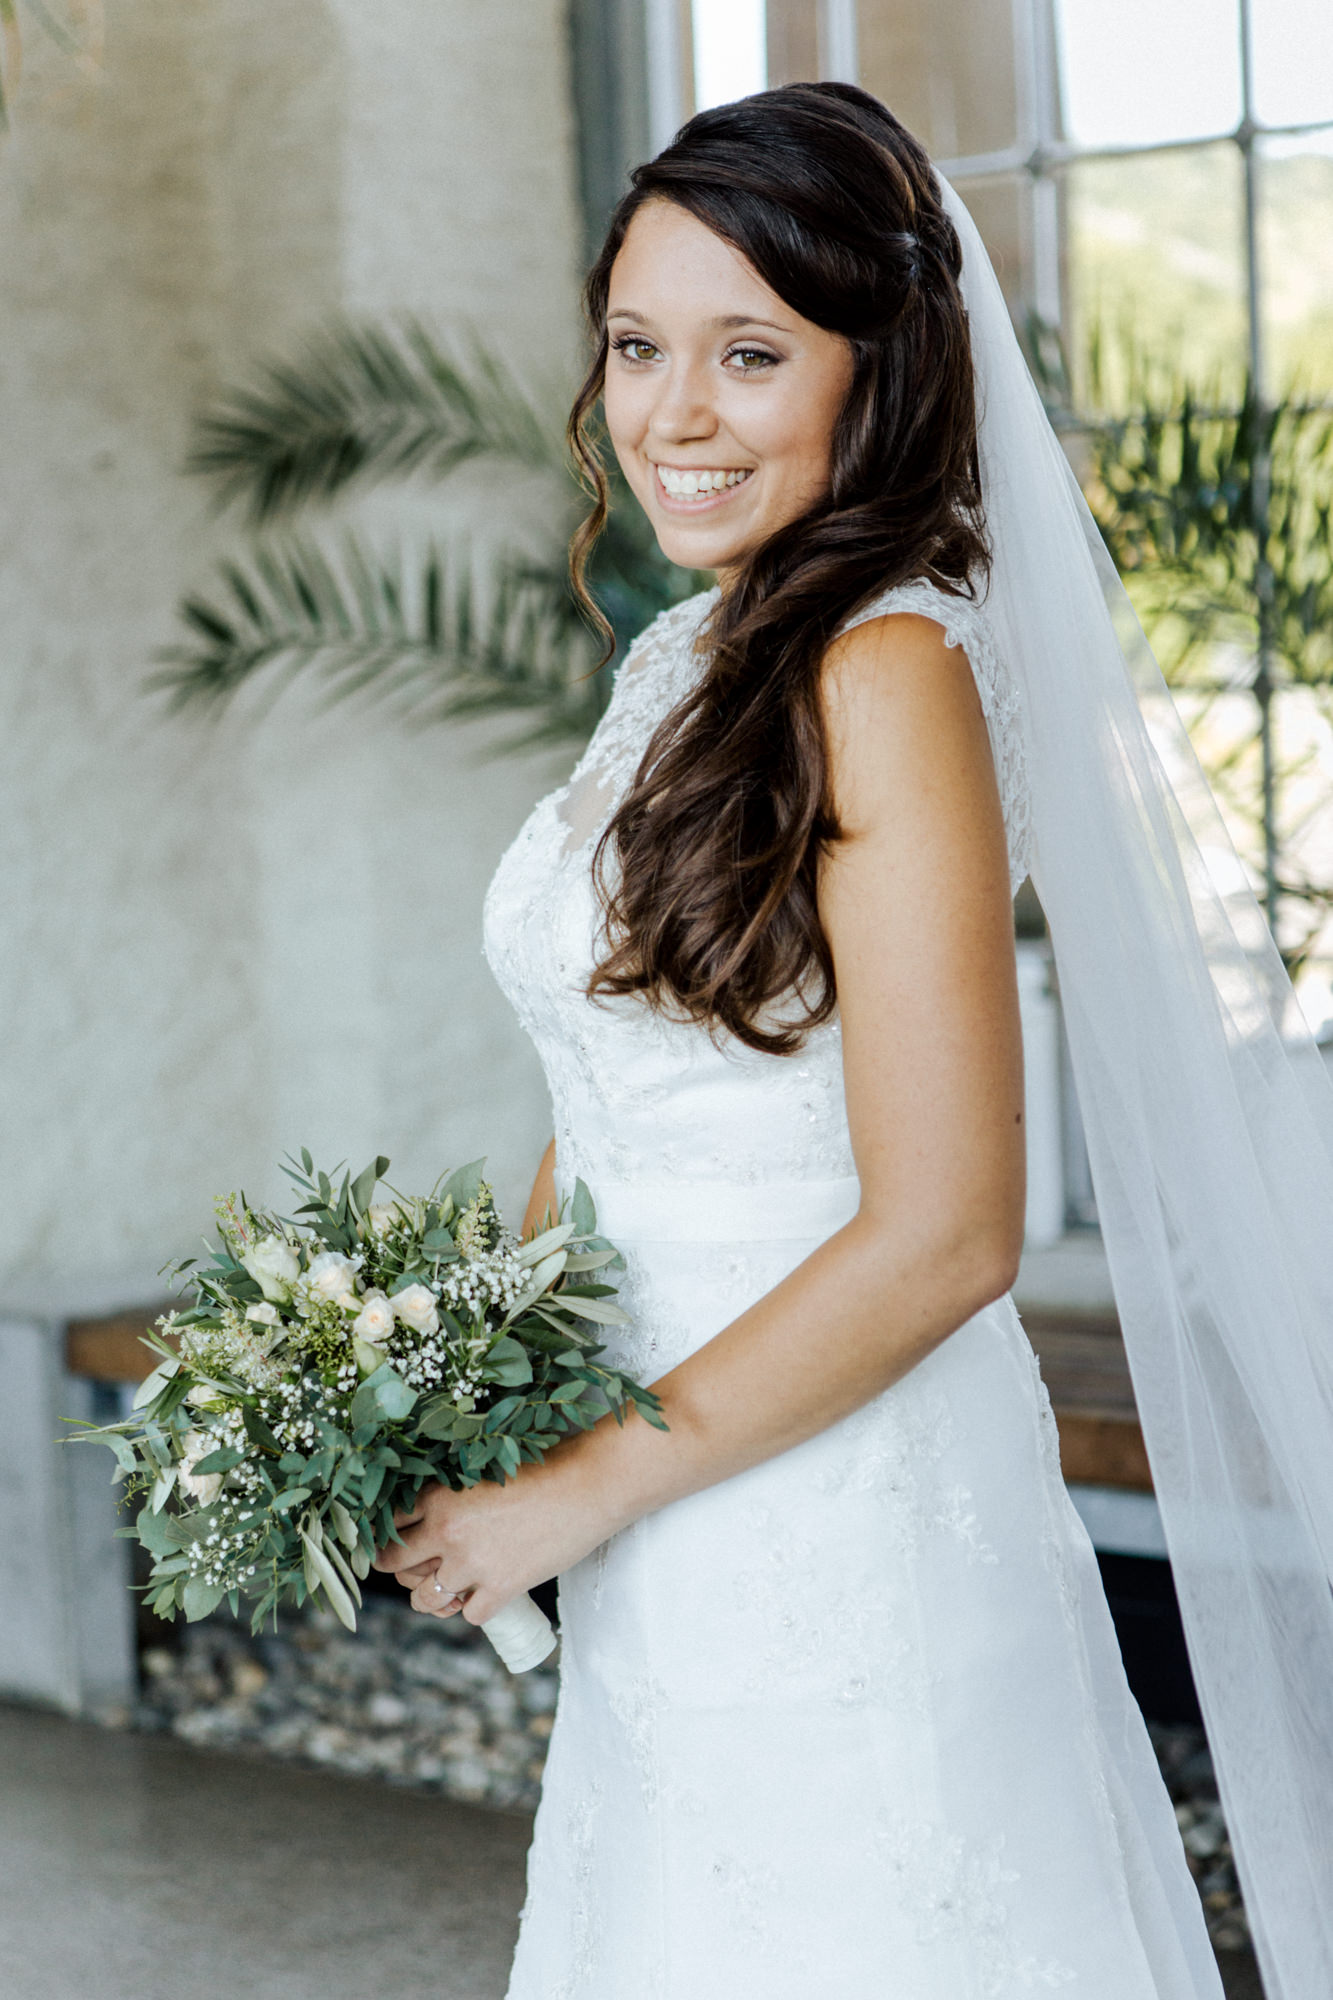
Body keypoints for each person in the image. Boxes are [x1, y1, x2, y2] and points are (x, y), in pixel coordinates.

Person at [375, 84, 1333, 1998]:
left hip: (839, 1518)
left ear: (874, 373)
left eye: (750, 353)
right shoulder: (691, 653)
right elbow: (621, 1072)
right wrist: (439, 1364)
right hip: (668, 1505)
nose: (673, 414)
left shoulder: (885, 665)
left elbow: (954, 1229)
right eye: (639, 348)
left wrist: (574, 1489)